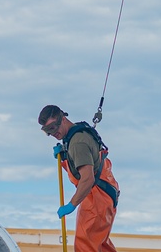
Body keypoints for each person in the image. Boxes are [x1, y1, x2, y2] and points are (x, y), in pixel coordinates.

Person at [38, 105, 120, 252]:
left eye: (53, 127)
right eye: (47, 131)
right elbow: (83, 164)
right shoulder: (74, 136)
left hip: (97, 197)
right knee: (100, 245)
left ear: (63, 119)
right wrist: (64, 156)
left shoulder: (78, 143)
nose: (52, 133)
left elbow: (87, 179)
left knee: (86, 247)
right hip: (103, 194)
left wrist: (71, 204)